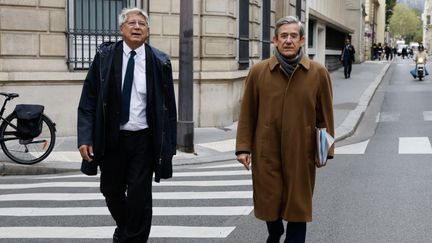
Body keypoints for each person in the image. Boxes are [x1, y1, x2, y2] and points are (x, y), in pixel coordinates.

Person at [77, 7, 177, 242]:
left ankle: (131, 238)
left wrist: (169, 145)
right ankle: (125, 229)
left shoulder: (159, 61)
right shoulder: (105, 57)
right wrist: (85, 137)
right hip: (111, 138)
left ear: (148, 31)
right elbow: (89, 98)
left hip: (143, 139)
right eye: (131, 23)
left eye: (142, 24)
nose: (137, 27)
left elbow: (168, 108)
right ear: (121, 29)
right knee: (110, 191)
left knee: (139, 197)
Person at [235, 16, 334, 243]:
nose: (288, 40)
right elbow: (248, 113)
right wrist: (243, 147)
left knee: (298, 206)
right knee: (270, 202)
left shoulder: (317, 73)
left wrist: (326, 149)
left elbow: (325, 115)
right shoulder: (259, 72)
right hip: (266, 151)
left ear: (301, 40)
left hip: (302, 151)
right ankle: (275, 232)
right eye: (283, 36)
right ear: (275, 40)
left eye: (293, 36)